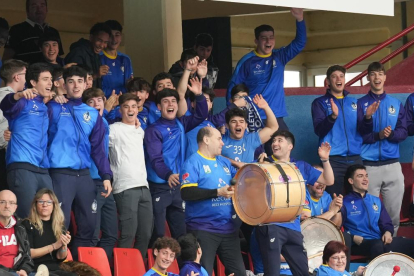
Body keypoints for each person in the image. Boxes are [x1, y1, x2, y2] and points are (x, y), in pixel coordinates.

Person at [47, 66, 112, 260]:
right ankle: (56, 267)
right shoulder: (54, 107)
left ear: (87, 83)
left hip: (84, 175)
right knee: (60, 224)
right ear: (63, 84)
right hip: (60, 173)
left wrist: (106, 175)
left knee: (89, 225)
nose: (76, 86)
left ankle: (76, 266)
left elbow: (99, 149)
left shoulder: (92, 114)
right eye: (71, 81)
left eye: (80, 81)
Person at [255, 130, 334, 276]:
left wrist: (325, 160)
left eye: (279, 140)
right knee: (272, 272)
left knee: (303, 272)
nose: (275, 143)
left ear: (290, 146)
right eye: (273, 141)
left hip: (294, 226)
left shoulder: (301, 166)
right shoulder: (264, 163)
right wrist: (259, 169)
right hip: (271, 225)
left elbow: (329, 180)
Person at [144, 78, 208, 241]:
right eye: (165, 101)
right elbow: (156, 159)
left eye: (173, 101)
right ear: (159, 107)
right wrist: (168, 175)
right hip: (159, 187)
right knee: (158, 234)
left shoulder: (181, 123)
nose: (170, 104)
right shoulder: (153, 130)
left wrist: (199, 95)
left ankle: (184, 266)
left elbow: (201, 114)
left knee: (182, 234)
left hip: (178, 187)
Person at [180, 127, 246, 276]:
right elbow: (186, 192)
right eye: (219, 139)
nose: (222, 143)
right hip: (203, 229)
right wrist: (217, 192)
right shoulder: (192, 162)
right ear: (206, 140)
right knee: (203, 273)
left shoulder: (224, 162)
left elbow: (237, 183)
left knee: (240, 273)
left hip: (229, 229)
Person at [227, 8, 306, 130]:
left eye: (271, 37)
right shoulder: (246, 61)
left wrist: (300, 20)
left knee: (282, 147)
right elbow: (232, 87)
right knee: (258, 149)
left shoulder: (280, 56)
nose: (268, 41)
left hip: (276, 115)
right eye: (264, 38)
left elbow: (300, 43)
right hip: (254, 116)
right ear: (256, 41)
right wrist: (230, 114)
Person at [357, 62, 407, 235]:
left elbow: (403, 132)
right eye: (373, 74)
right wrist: (369, 120)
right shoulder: (360, 104)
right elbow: (359, 135)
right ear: (368, 78)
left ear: (385, 77)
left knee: (393, 215)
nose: (377, 77)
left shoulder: (396, 104)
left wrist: (391, 134)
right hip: (368, 167)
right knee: (370, 214)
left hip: (392, 166)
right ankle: (373, 251)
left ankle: (389, 249)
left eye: (380, 74)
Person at [0, 63, 53, 218]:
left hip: (42, 168)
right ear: (33, 83)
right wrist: (18, 95)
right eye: (45, 79)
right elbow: (5, 105)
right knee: (27, 217)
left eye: (50, 79)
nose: (49, 82)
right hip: (22, 165)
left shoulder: (44, 105)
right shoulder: (24, 100)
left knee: (48, 215)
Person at [311, 65, 367, 196]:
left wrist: (368, 118)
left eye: (341, 76)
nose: (338, 79)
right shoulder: (319, 103)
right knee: (333, 199)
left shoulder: (354, 102)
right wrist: (332, 117)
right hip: (333, 161)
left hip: (355, 158)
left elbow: (364, 131)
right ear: (328, 82)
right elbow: (319, 130)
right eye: (334, 76)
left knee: (359, 198)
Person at [108, 93, 152, 258]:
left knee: (146, 234)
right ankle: (121, 269)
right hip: (124, 187)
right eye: (126, 107)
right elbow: (98, 139)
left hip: (144, 186)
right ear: (120, 110)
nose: (131, 110)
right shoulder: (113, 129)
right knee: (128, 234)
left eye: (134, 106)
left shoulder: (139, 130)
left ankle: (137, 268)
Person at [339, 164, 414, 260]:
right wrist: (352, 237)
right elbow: (337, 229)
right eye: (360, 176)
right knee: (378, 246)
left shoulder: (375, 200)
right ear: (351, 181)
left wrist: (387, 232)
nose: (365, 179)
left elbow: (386, 223)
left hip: (380, 241)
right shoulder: (344, 202)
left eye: (366, 176)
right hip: (359, 243)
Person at [82, 88, 117, 264]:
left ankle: (100, 268)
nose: (96, 104)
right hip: (89, 180)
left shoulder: (103, 122)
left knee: (111, 234)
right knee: (93, 234)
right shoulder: (84, 122)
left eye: (99, 100)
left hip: (105, 183)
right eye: (91, 102)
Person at [22, 189, 76, 276]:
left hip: (54, 268)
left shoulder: (59, 226)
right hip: (35, 269)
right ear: (35, 205)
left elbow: (60, 258)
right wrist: (54, 246)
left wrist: (63, 244)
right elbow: (29, 253)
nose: (45, 205)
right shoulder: (27, 224)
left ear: (54, 205)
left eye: (49, 202)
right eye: (41, 201)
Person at [185, 87, 246, 158]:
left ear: (211, 104)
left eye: (206, 100)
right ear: (192, 104)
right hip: (193, 164)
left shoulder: (212, 123)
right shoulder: (187, 119)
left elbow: (218, 119)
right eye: (200, 100)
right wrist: (234, 105)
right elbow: (181, 95)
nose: (203, 103)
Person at [221, 95, 278, 167]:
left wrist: (266, 107)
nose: (238, 124)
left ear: (246, 125)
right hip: (227, 177)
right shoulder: (220, 140)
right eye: (234, 122)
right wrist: (235, 163)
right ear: (227, 126)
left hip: (247, 177)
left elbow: (273, 127)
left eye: (241, 121)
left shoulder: (251, 139)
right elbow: (212, 155)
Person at [2, 0, 64, 64]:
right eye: (34, 6)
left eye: (42, 6)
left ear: (46, 10)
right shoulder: (17, 29)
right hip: (26, 73)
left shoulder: (54, 31)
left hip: (51, 73)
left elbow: (58, 58)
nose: (39, 9)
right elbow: (7, 59)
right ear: (27, 11)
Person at [0, 60, 28, 191]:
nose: (25, 79)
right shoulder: (7, 98)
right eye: (24, 75)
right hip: (4, 155)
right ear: (17, 77)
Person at [64, 23, 111, 88]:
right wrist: (96, 74)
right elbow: (75, 80)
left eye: (105, 42)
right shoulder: (78, 52)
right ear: (91, 38)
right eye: (99, 40)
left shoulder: (96, 54)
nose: (102, 45)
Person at [0, 190, 35, 276]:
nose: (7, 206)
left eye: (11, 203)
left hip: (18, 272)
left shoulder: (20, 227)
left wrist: (24, 270)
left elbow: (27, 256)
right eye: (2, 202)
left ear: (15, 207)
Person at [100, 20, 133, 98]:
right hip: (104, 102)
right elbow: (98, 88)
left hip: (123, 102)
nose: (114, 39)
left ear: (121, 37)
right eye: (110, 36)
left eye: (117, 35)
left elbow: (130, 86)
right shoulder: (98, 58)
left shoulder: (125, 59)